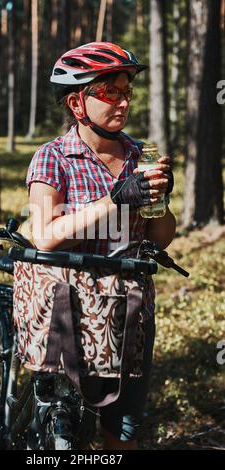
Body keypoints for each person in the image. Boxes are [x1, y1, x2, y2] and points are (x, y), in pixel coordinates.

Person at [22, 42, 176, 450]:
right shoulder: (53, 157)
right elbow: (45, 234)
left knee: (122, 428)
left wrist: (160, 204)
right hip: (71, 308)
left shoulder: (139, 155)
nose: (123, 102)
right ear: (77, 102)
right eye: (111, 92)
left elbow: (161, 239)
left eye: (127, 91)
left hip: (131, 307)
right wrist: (114, 199)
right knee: (66, 428)